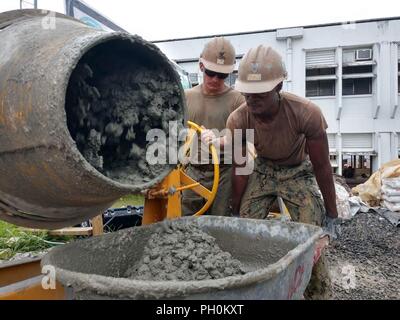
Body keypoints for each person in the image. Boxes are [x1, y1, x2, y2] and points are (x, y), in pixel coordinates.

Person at [203, 45, 339, 299]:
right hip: (264, 169)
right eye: (248, 94)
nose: (252, 101)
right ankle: (256, 285)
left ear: (278, 88)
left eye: (260, 95)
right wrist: (235, 212)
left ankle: (317, 293)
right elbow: (242, 168)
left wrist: (331, 214)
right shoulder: (239, 118)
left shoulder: (306, 113)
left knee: (310, 235)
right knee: (246, 226)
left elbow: (321, 166)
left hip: (298, 171)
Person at [182, 37, 245, 216]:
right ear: (201, 66)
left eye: (222, 75)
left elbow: (244, 139)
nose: (216, 79)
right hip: (193, 171)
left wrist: (219, 141)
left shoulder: (237, 100)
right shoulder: (186, 98)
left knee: (221, 224)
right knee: (184, 224)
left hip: (225, 173)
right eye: (211, 72)